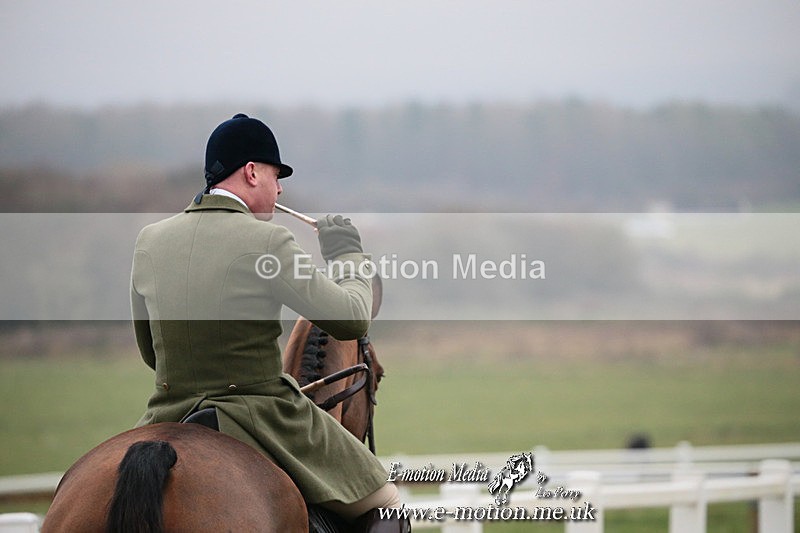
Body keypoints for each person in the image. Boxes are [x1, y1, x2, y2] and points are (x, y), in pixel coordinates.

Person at [131, 113, 408, 532]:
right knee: (387, 502)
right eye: (277, 177)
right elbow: (351, 319)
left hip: (165, 416)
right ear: (251, 172)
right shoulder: (269, 241)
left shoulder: (149, 240)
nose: (279, 190)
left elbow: (152, 353)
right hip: (260, 416)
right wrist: (347, 255)